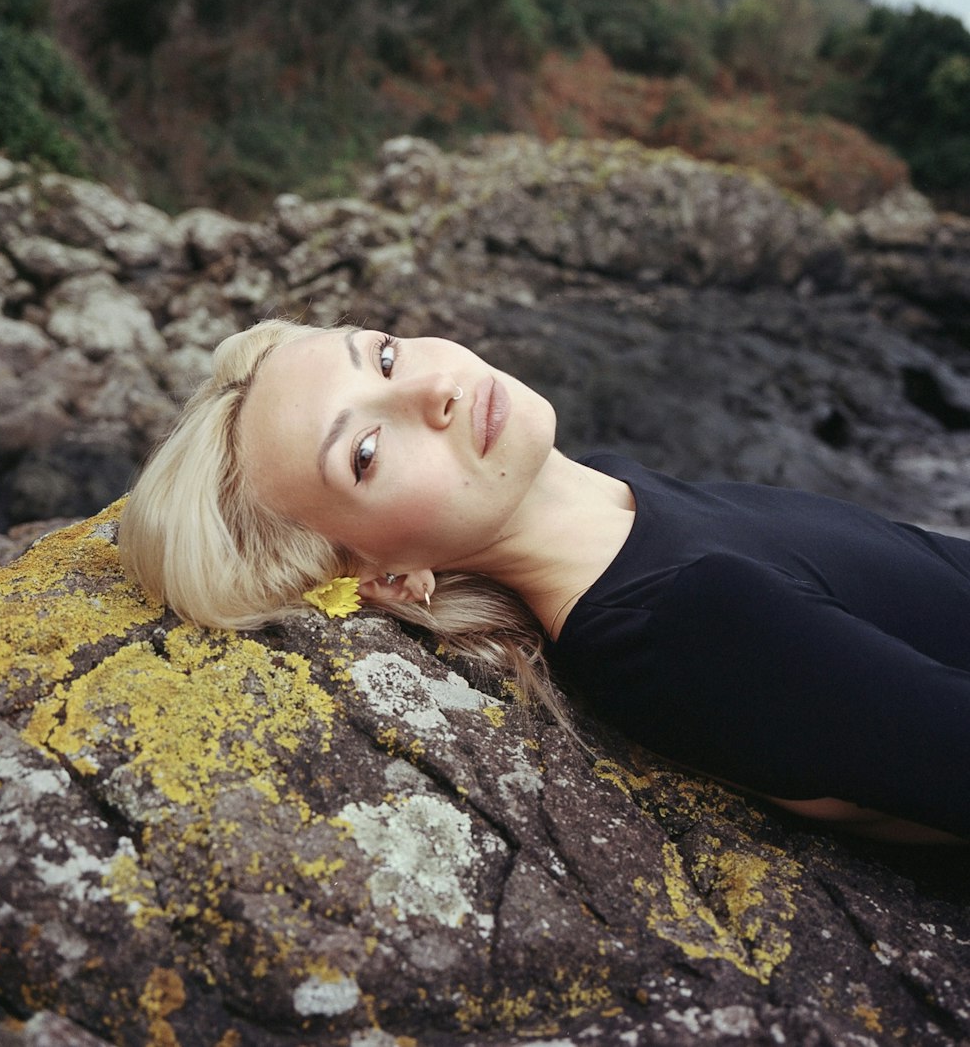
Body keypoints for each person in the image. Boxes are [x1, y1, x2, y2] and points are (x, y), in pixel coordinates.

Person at [119, 318, 970, 844]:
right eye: (365, 454)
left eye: (381, 354)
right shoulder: (681, 622)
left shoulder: (612, 486)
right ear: (377, 575)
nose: (432, 387)